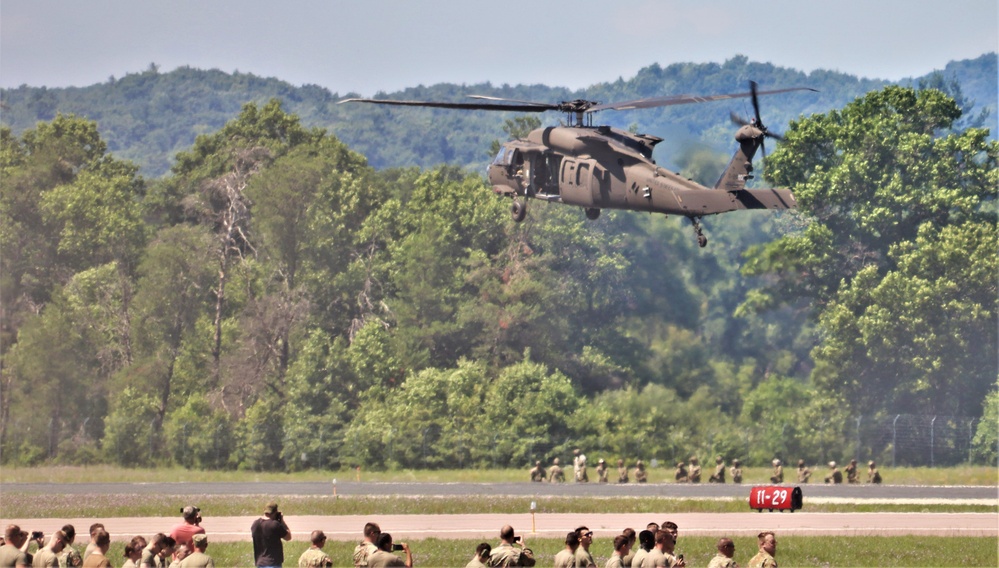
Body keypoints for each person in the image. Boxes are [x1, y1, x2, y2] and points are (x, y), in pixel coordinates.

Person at [250, 501, 291, 568]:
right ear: (275, 512)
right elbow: (288, 537)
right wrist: (282, 521)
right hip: (273, 563)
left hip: (260, 563)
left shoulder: (255, 524)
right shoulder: (275, 525)